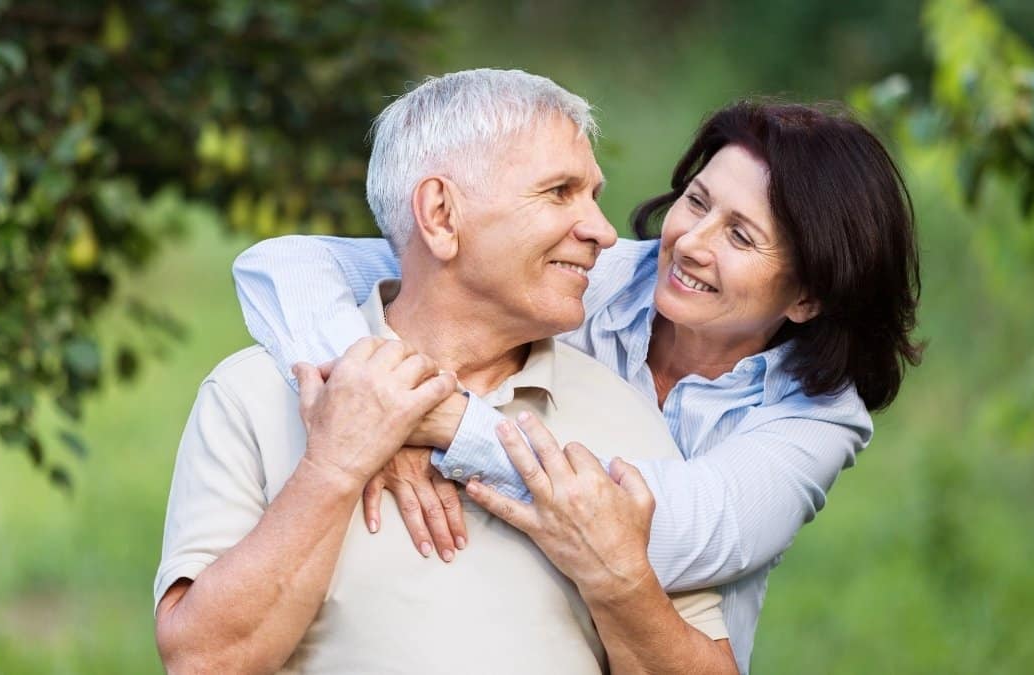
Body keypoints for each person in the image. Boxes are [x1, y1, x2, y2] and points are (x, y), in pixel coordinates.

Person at [232, 94, 922, 672]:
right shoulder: (586, 276)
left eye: (741, 237)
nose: (690, 242)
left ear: (805, 296)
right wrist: (374, 390)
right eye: (697, 200)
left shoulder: (819, 418)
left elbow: (653, 529)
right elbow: (284, 267)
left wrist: (438, 420)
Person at [155, 68, 737, 674]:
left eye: (593, 195)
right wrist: (334, 465)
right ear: (440, 213)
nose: (603, 231)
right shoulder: (251, 395)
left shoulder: (624, 416)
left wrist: (620, 581)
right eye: (559, 192)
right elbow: (203, 663)